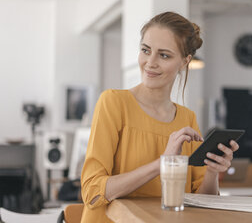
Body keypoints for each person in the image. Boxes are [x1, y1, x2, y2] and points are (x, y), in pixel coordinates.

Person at [80, 12, 239, 222]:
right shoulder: (113, 103)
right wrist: (162, 163)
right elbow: (92, 192)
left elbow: (202, 203)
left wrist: (212, 170)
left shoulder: (187, 119)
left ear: (184, 62)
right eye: (146, 50)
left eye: (164, 55)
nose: (150, 62)